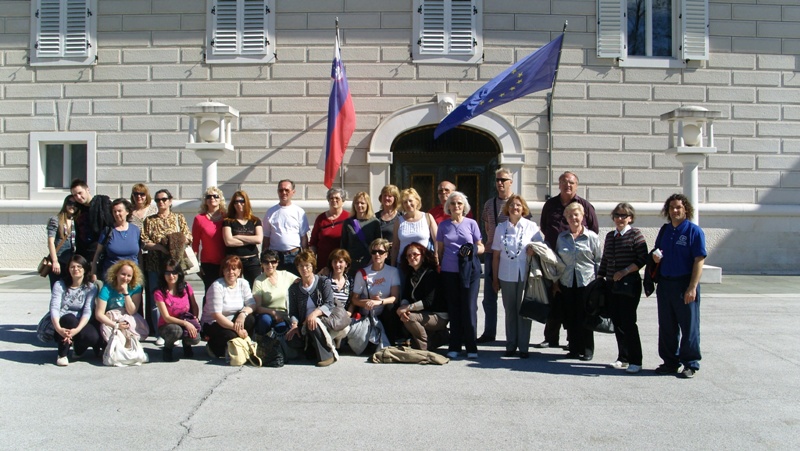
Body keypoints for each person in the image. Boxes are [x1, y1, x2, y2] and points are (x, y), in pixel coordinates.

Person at [536, 171, 599, 349]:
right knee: (555, 298)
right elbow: (544, 226)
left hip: (577, 263)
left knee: (576, 304)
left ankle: (575, 342)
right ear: (559, 185)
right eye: (564, 182)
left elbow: (593, 230)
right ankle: (551, 337)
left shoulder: (585, 206)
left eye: (571, 182)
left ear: (576, 185)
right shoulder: (550, 205)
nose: (567, 185)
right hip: (553, 258)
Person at [652, 194, 706, 379]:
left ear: (686, 209)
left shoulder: (693, 231)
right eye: (671, 207)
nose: (675, 211)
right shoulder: (665, 230)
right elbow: (657, 251)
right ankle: (670, 362)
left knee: (689, 327)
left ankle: (690, 363)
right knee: (667, 326)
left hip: (684, 284)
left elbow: (699, 260)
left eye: (678, 207)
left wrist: (692, 287)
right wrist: (655, 257)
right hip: (665, 284)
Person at [598, 202, 648, 374]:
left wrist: (625, 271)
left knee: (628, 322)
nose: (620, 219)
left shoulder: (635, 234)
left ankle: (636, 360)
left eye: (623, 216)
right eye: (617, 215)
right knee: (617, 322)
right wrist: (600, 277)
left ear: (630, 218)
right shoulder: (610, 236)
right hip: (612, 285)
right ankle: (623, 357)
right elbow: (605, 259)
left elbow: (642, 259)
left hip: (629, 286)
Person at [491, 195, 544, 358]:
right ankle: (511, 345)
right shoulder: (501, 228)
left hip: (525, 274)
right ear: (507, 208)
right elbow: (496, 256)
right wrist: (495, 279)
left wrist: (534, 250)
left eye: (519, 205)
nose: (515, 208)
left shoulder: (531, 226)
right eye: (512, 205)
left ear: (523, 209)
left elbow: (542, 247)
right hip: (506, 274)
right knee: (510, 311)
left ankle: (523, 347)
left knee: (524, 311)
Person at [437, 191, 484, 359]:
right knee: (454, 308)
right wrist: (439, 267)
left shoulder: (471, 223)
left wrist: (472, 249)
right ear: (448, 206)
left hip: (469, 271)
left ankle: (471, 346)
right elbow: (440, 250)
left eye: (459, 203)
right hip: (449, 271)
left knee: (469, 308)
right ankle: (455, 345)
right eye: (453, 203)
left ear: (464, 206)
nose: (456, 206)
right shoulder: (443, 226)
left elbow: (481, 246)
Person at [142, 188, 192, 344]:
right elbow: (144, 241)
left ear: (170, 201)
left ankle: (176, 331)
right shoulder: (149, 220)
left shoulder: (178, 218)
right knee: (156, 299)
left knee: (176, 298)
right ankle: (161, 332)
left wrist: (175, 242)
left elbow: (188, 237)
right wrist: (161, 247)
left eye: (164, 199)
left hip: (174, 265)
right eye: (157, 200)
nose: (161, 202)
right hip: (155, 263)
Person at [555, 202, 602, 361]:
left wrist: (600, 282)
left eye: (576, 215)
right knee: (570, 316)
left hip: (587, 283)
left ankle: (587, 349)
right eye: (570, 215)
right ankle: (574, 348)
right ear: (566, 218)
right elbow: (557, 260)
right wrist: (556, 282)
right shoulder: (562, 237)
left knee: (585, 316)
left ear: (582, 216)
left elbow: (598, 260)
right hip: (567, 282)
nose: (573, 218)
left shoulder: (591, 237)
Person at [286, 251, 347, 367]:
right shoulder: (294, 288)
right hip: (305, 324)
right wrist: (294, 325)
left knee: (313, 322)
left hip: (325, 320)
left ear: (313, 267)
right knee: (292, 339)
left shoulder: (323, 281)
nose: (304, 269)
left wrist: (314, 314)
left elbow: (329, 303)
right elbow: (293, 312)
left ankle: (328, 356)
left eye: (307, 265)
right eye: (301, 266)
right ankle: (312, 347)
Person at [478, 168, 516, 343]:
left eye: (503, 180)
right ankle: (489, 332)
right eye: (497, 180)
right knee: (489, 297)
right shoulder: (489, 204)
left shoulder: (517, 203)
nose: (500, 183)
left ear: (511, 182)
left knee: (511, 298)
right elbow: (487, 227)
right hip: (491, 253)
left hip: (512, 257)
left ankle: (513, 335)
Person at [201, 255, 256, 360]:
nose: (231, 272)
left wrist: (243, 314)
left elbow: (252, 304)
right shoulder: (216, 286)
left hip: (233, 320)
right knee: (231, 336)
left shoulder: (243, 283)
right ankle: (213, 347)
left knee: (250, 319)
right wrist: (238, 330)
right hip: (214, 323)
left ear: (239, 271)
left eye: (234, 269)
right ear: (223, 271)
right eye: (227, 269)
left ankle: (240, 347)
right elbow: (216, 315)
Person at [396, 242, 449, 351]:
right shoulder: (411, 275)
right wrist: (403, 308)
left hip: (438, 315)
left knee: (410, 318)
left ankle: (424, 347)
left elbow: (428, 302)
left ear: (423, 256)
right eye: (409, 255)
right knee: (405, 317)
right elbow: (406, 295)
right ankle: (436, 339)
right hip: (423, 313)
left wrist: (407, 308)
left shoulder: (431, 274)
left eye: (415, 254)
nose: (412, 257)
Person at [49, 255, 100, 366]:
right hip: (62, 323)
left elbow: (87, 311)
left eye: (79, 266)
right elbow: (54, 308)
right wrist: (58, 329)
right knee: (69, 319)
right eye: (72, 267)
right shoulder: (59, 285)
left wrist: (77, 330)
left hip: (80, 322)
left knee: (93, 337)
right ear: (68, 269)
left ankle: (78, 349)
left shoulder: (91, 288)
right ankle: (62, 354)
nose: (75, 269)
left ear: (85, 269)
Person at [350, 238, 402, 344]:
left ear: (386, 254)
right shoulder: (362, 273)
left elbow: (395, 297)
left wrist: (379, 302)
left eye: (380, 252)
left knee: (391, 307)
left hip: (384, 312)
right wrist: (367, 302)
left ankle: (390, 341)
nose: (377, 254)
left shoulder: (393, 271)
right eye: (374, 252)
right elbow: (355, 300)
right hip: (368, 314)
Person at [154, 260, 201, 362]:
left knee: (196, 338)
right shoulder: (159, 292)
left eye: (174, 272)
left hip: (185, 320)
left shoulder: (186, 287)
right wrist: (186, 324)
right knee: (176, 331)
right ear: (163, 275)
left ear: (179, 274)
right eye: (167, 273)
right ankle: (168, 349)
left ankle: (187, 344)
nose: (171, 276)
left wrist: (195, 318)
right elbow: (166, 317)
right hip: (167, 325)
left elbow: (194, 305)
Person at [95, 259, 149, 344]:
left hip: (127, 317)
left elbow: (132, 311)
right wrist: (116, 325)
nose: (125, 278)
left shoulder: (136, 288)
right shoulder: (106, 289)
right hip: (112, 319)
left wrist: (126, 293)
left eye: (129, 276)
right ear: (116, 273)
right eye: (123, 274)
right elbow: (99, 314)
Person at [262, 179, 309, 276]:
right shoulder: (270, 212)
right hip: (275, 258)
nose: (283, 193)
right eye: (281, 190)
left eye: (287, 190)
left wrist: (306, 257)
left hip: (294, 256)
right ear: (277, 192)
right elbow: (266, 237)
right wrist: (264, 258)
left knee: (296, 282)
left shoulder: (299, 212)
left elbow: (304, 237)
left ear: (293, 192)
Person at [92, 198, 141, 282]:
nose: (116, 214)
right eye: (114, 211)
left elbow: (139, 254)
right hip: (112, 278)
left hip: (132, 277)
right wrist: (93, 273)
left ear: (127, 212)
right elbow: (98, 253)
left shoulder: (135, 230)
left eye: (119, 211)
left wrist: (141, 274)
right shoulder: (107, 231)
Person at [223, 190, 263, 288]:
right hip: (234, 261)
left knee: (255, 287)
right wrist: (250, 240)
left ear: (246, 202)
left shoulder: (255, 220)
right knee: (233, 287)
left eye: (242, 201)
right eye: (236, 202)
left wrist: (238, 237)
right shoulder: (228, 221)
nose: (239, 204)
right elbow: (229, 242)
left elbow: (258, 239)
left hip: (252, 261)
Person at [252, 250, 296, 336]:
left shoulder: (285, 275)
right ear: (262, 263)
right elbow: (257, 307)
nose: (270, 265)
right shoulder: (258, 281)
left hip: (284, 315)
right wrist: (273, 313)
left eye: (273, 262)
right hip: (266, 314)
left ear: (277, 263)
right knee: (264, 320)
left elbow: (303, 281)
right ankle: (260, 339)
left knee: (282, 329)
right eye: (266, 262)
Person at [391, 187, 438, 267]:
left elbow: (437, 240)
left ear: (417, 201)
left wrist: (436, 255)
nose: (408, 204)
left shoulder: (428, 217)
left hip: (424, 264)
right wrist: (392, 265)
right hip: (403, 265)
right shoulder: (398, 221)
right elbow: (395, 246)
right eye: (405, 202)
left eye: (410, 200)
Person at [192, 186, 227, 294]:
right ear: (205, 200)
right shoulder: (199, 219)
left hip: (225, 262)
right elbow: (195, 243)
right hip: (208, 264)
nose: (212, 198)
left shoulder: (227, 218)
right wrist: (196, 266)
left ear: (220, 199)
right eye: (209, 196)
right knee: (210, 293)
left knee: (225, 293)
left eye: (215, 196)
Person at [340, 191, 382, 278]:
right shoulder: (348, 222)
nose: (359, 205)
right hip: (351, 265)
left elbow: (378, 245)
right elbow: (343, 245)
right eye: (357, 203)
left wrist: (372, 262)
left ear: (367, 205)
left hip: (369, 264)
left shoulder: (374, 222)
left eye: (362, 203)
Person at [70, 178, 112, 262]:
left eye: (80, 193)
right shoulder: (78, 210)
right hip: (85, 253)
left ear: (87, 190)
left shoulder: (102, 203)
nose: (78, 197)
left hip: (103, 251)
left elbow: (110, 225)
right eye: (75, 195)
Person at [309, 188, 350, 272]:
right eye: (331, 198)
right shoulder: (321, 219)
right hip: (323, 264)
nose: (334, 200)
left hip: (341, 265)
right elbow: (313, 243)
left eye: (337, 198)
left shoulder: (348, 218)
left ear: (343, 200)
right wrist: (312, 262)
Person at [46, 195, 77, 289]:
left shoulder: (76, 220)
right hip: (59, 261)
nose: (72, 206)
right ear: (65, 204)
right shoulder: (56, 220)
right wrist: (55, 261)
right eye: (70, 203)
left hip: (71, 262)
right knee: (57, 290)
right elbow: (50, 242)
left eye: (75, 204)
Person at [320, 248, 354, 313]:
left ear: (346, 264)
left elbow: (352, 301)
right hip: (326, 315)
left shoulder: (350, 281)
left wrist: (349, 313)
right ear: (331, 263)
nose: (337, 264)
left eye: (340, 262)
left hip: (342, 315)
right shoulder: (325, 279)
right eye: (335, 261)